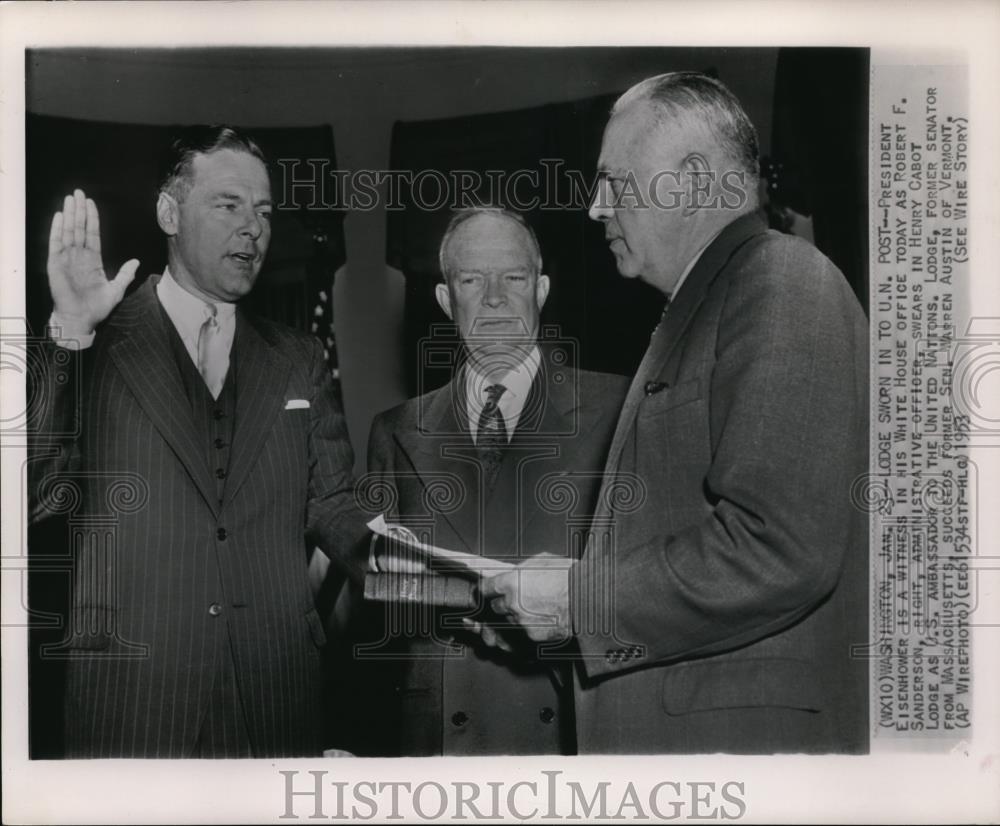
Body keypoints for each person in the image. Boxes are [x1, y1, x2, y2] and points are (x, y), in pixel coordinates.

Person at [480, 73, 869, 753]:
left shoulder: (782, 282)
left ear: (690, 182)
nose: (596, 209)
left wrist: (579, 597)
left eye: (614, 182)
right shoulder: (712, 305)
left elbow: (779, 547)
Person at [31, 126, 369, 758]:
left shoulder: (297, 357)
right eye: (229, 204)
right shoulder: (97, 344)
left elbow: (334, 503)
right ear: (168, 211)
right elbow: (34, 497)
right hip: (132, 699)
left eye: (264, 211)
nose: (254, 228)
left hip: (276, 698)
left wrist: (410, 556)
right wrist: (71, 332)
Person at [359, 208, 628, 755]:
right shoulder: (396, 430)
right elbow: (383, 591)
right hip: (438, 743)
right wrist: (471, 595)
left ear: (543, 289)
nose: (495, 298)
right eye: (471, 280)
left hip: (573, 729)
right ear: (444, 300)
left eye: (514, 277)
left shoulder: (621, 408)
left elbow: (649, 580)